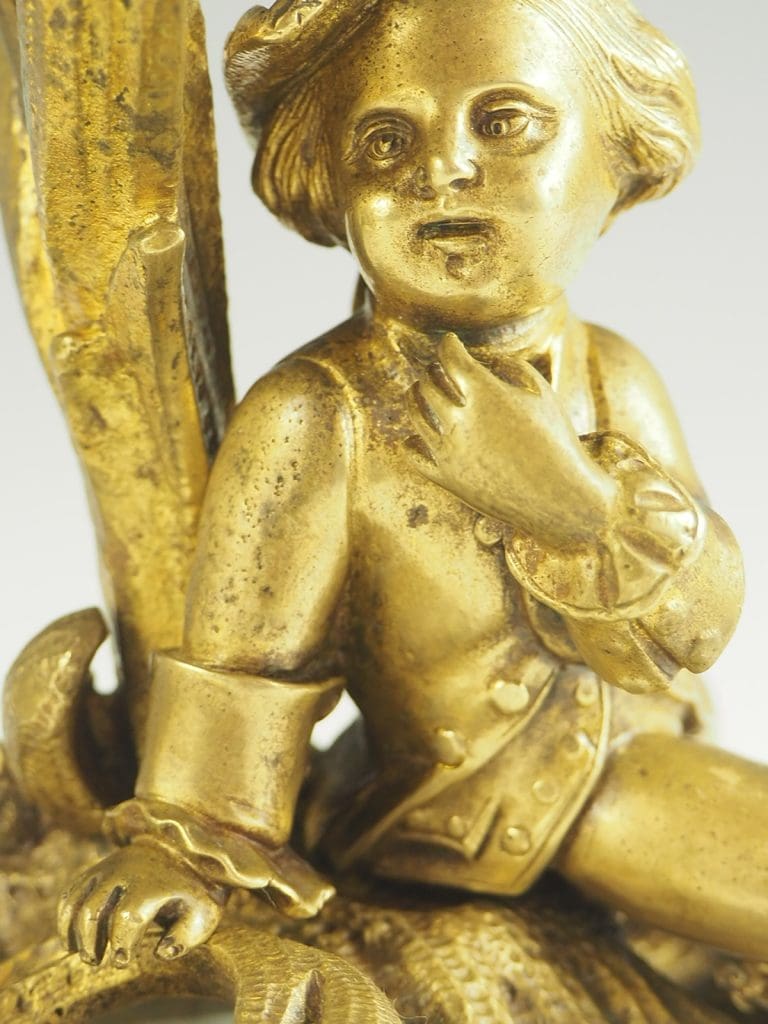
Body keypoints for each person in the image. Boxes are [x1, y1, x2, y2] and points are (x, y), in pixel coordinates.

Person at [60, 0, 768, 970]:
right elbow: (247, 674)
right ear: (330, 188)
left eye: (505, 122)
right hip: (479, 806)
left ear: (620, 159)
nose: (443, 168)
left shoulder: (615, 374)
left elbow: (700, 623)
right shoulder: (321, 415)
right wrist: (187, 849)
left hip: (646, 751)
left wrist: (581, 506)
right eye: (386, 141)